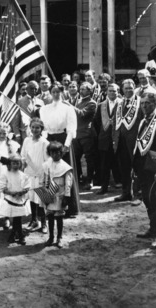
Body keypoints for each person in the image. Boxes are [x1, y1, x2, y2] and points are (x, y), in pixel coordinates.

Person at [40, 82, 79, 215]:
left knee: (65, 173)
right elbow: (43, 128)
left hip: (63, 140)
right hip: (49, 140)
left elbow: (71, 128)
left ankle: (69, 207)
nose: (56, 94)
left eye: (58, 92)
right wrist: (45, 142)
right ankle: (49, 205)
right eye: (53, 92)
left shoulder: (68, 108)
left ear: (62, 92)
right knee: (48, 172)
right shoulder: (44, 109)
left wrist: (66, 145)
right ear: (50, 93)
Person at [134, 93, 156, 249]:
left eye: (148, 103)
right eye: (142, 103)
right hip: (143, 166)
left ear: (155, 104)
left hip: (155, 167)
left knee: (155, 200)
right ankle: (153, 229)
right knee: (146, 198)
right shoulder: (143, 121)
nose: (144, 106)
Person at [113, 79, 143, 203]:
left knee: (137, 168)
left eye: (131, 88)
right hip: (121, 141)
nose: (128, 90)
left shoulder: (141, 102)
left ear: (134, 87)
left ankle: (138, 195)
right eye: (126, 88)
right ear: (122, 90)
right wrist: (114, 139)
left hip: (135, 141)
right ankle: (126, 193)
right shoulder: (120, 103)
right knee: (124, 168)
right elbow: (115, 122)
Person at [41, 141, 73, 249]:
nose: (55, 155)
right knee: (49, 216)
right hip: (49, 193)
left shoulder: (65, 167)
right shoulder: (46, 165)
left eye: (58, 152)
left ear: (62, 153)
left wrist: (66, 196)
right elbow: (44, 180)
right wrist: (44, 195)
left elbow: (68, 183)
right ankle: (51, 237)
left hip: (60, 194)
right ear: (49, 153)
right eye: (53, 152)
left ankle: (59, 238)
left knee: (59, 217)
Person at [21, 118, 49, 233]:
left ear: (41, 129)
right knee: (32, 198)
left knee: (41, 199)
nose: (34, 129)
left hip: (40, 174)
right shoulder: (26, 141)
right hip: (29, 173)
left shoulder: (44, 143)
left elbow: (47, 161)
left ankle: (44, 222)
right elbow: (23, 155)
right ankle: (34, 220)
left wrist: (44, 174)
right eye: (32, 127)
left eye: (37, 127)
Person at [93, 83, 122, 195]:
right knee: (104, 164)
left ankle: (122, 186)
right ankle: (104, 187)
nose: (112, 93)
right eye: (110, 91)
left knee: (119, 162)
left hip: (119, 138)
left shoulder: (122, 103)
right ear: (107, 92)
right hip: (104, 138)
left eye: (114, 91)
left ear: (118, 92)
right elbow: (96, 122)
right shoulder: (101, 105)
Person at [0, 154, 30, 245]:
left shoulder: (23, 175)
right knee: (16, 217)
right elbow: (2, 186)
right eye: (13, 163)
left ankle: (15, 234)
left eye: (17, 163)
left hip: (19, 199)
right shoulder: (5, 174)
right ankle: (18, 234)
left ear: (20, 164)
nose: (15, 165)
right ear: (9, 164)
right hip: (10, 198)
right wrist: (10, 193)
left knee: (17, 217)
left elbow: (27, 186)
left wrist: (22, 192)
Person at [72, 81, 97, 190]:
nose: (80, 91)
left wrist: (71, 106)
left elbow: (82, 114)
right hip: (77, 134)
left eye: (83, 89)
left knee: (89, 159)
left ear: (90, 91)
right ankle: (79, 178)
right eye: (80, 89)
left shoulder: (92, 103)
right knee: (76, 158)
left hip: (87, 135)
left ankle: (90, 180)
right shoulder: (78, 102)